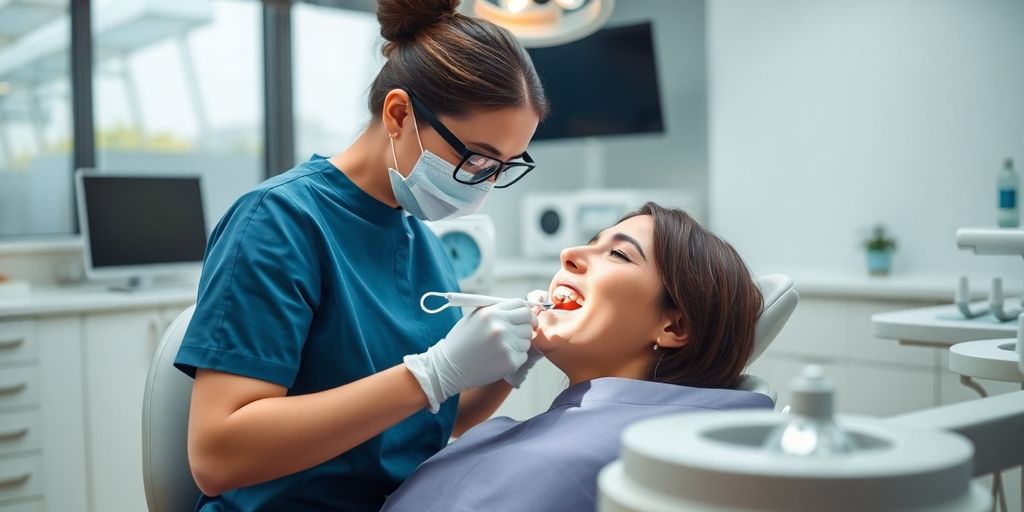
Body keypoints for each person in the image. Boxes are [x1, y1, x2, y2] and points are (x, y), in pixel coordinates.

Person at [172, 1, 549, 510]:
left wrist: (511, 364)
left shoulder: (423, 245)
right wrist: (429, 372)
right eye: (477, 159)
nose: (484, 183)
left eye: (502, 167)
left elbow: (422, 422)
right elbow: (218, 457)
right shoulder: (280, 222)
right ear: (399, 114)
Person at [380, 203, 774, 512]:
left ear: (674, 327)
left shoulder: (586, 460)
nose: (568, 253)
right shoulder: (581, 437)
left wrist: (437, 376)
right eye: (592, 241)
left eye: (618, 254)